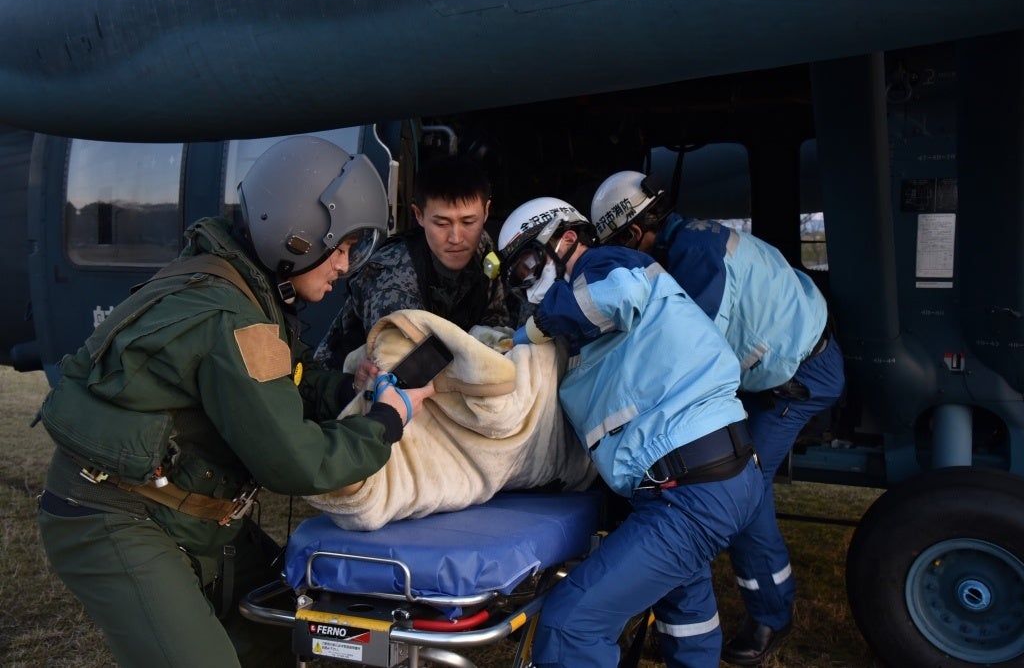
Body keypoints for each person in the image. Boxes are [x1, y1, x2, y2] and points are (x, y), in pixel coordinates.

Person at [35, 135, 435, 668]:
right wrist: (386, 420)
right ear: (296, 235)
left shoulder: (246, 286)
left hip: (191, 512)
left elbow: (280, 382)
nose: (344, 266)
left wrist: (345, 389)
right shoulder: (232, 314)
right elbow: (296, 462)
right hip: (115, 514)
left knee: (281, 637)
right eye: (340, 248)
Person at [590, 170, 846, 665]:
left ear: (634, 232)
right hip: (778, 365)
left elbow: (688, 350)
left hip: (801, 376)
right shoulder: (688, 240)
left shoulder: (695, 257)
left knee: (743, 487)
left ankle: (773, 612)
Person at [497, 197, 764, 668]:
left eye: (528, 263)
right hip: (708, 475)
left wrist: (529, 332)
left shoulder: (602, 265)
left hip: (690, 490)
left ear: (566, 239)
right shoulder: (586, 314)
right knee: (685, 608)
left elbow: (615, 295)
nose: (525, 280)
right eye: (515, 272)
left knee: (571, 624)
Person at [313, 154, 513, 371]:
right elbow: (403, 369)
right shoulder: (392, 279)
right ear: (419, 215)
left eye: (468, 222)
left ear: (486, 212)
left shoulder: (482, 245)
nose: (456, 238)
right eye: (442, 224)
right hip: (353, 382)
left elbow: (496, 321)